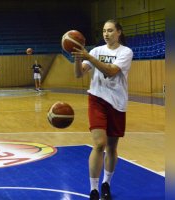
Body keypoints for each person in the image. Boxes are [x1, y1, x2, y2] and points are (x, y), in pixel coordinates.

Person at [73, 19, 133, 200]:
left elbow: (111, 71)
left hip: (117, 103)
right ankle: (93, 189)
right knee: (99, 144)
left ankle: (106, 183)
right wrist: (77, 59)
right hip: (97, 100)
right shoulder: (96, 50)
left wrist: (89, 57)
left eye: (110, 30)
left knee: (112, 147)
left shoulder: (126, 52)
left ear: (119, 32)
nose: (106, 34)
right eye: (104, 31)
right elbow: (78, 74)